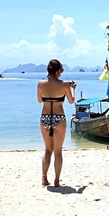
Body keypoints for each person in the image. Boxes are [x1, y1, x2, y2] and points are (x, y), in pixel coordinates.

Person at [37, 59, 76, 187]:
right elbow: (71, 101)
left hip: (45, 117)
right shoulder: (64, 84)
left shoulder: (40, 84)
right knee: (58, 151)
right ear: (58, 70)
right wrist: (73, 88)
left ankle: (44, 178)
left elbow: (39, 100)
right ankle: (57, 180)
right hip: (59, 117)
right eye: (61, 70)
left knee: (48, 150)